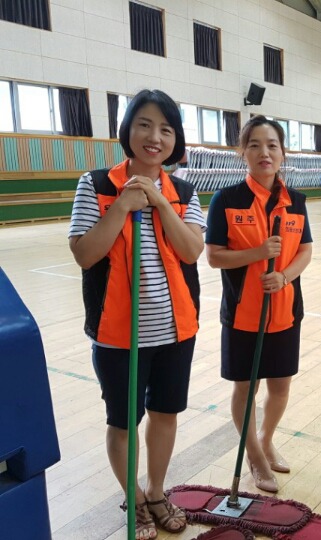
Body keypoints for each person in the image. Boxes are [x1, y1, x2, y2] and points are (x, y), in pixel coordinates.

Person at [68, 89, 206, 540]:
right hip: (117, 334)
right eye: (144, 124)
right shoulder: (96, 185)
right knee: (124, 421)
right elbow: (85, 254)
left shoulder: (184, 192)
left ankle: (156, 492)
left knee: (165, 414)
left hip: (174, 330)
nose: (154, 137)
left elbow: (191, 250)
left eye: (166, 129)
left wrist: (161, 203)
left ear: (175, 139)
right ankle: (133, 495)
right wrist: (124, 206)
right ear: (127, 129)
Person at [205, 115, 313, 493]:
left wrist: (284, 276)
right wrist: (258, 253)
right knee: (245, 389)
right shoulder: (226, 200)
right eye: (254, 145)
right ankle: (253, 454)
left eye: (272, 145)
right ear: (243, 153)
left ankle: (265, 440)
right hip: (243, 315)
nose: (264, 152)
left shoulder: (296, 202)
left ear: (283, 153)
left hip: (285, 312)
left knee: (280, 386)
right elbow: (214, 257)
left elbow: (305, 251)